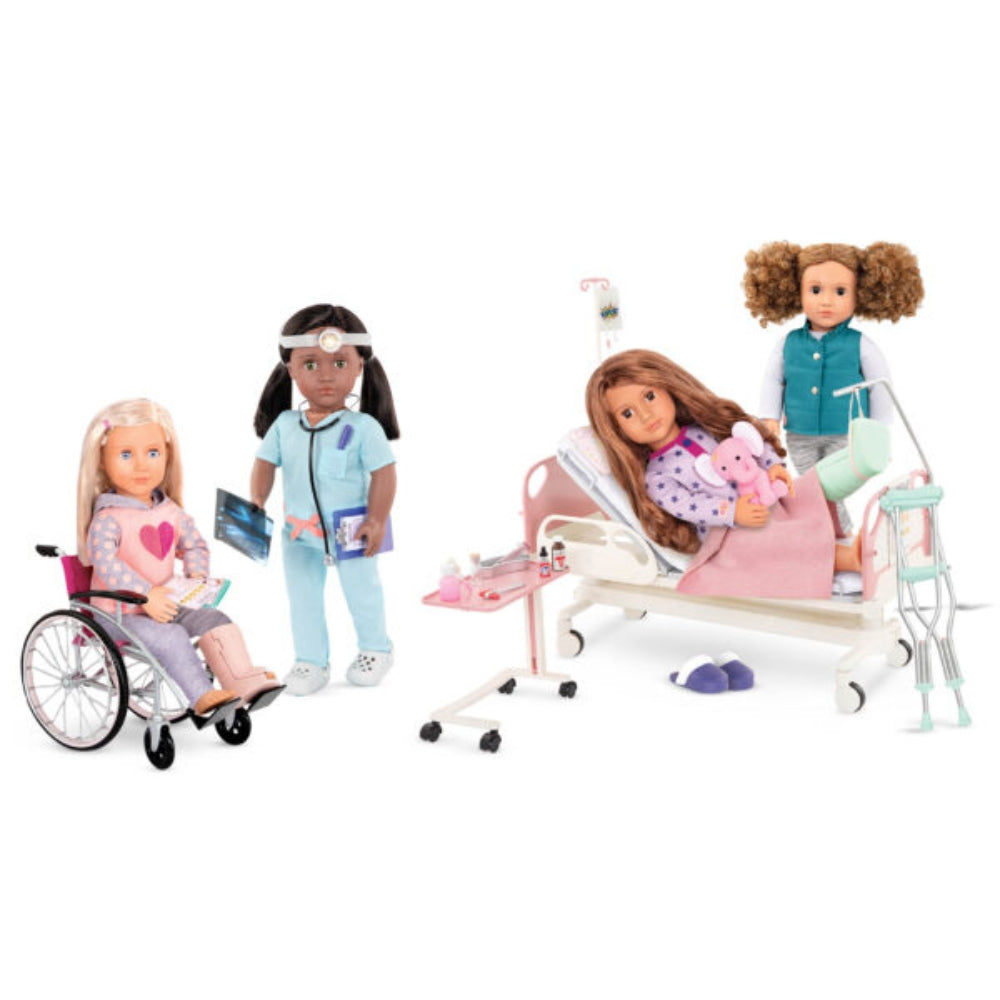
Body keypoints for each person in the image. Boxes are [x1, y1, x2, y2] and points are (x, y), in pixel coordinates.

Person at [78, 399, 280, 717]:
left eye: (153, 453)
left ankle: (241, 680)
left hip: (168, 603)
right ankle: (202, 696)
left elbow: (195, 546)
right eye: (126, 455)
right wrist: (147, 595)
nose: (142, 466)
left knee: (215, 619)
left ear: (168, 455)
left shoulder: (170, 511)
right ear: (102, 460)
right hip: (118, 614)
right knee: (171, 636)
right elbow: (107, 565)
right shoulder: (108, 518)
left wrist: (196, 577)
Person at [584, 349, 863, 570]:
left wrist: (773, 467)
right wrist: (731, 512)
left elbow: (750, 443)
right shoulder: (657, 477)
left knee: (808, 499)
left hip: (764, 502)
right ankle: (850, 559)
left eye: (649, 396)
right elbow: (690, 506)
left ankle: (848, 538)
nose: (645, 414)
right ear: (616, 429)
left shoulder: (706, 427)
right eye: (627, 413)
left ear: (668, 387)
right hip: (728, 536)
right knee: (783, 546)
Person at [251, 304, 399, 696]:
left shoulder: (363, 428)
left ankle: (376, 648)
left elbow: (384, 474)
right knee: (302, 598)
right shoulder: (285, 425)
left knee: (362, 591)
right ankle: (311, 660)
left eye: (340, 363)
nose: (327, 375)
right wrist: (257, 500)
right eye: (311, 364)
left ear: (360, 366)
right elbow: (264, 464)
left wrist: (377, 519)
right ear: (291, 369)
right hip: (298, 532)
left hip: (352, 527)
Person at [743, 241, 923, 533]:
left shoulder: (861, 344)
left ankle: (835, 532)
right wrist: (769, 416)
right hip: (799, 432)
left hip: (847, 433)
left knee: (828, 486)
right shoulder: (788, 343)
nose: (826, 301)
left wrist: (879, 430)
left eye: (840, 292)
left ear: (859, 295)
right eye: (815, 290)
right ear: (797, 292)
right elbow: (773, 380)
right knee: (812, 484)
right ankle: (835, 533)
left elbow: (880, 386)